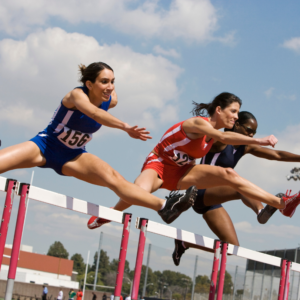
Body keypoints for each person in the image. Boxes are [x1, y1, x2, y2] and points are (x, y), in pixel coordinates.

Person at [0, 62, 197, 224]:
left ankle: (165, 207)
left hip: (74, 155)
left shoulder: (111, 99)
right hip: (45, 146)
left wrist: (108, 84)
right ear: (89, 84)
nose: (110, 87)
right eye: (104, 82)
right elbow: (94, 113)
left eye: (112, 82)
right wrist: (125, 127)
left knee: (116, 180)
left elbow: (106, 102)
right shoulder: (76, 95)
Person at [88, 92, 299, 229]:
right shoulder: (198, 123)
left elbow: (229, 138)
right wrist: (261, 141)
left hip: (184, 171)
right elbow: (225, 137)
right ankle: (108, 214)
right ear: (219, 109)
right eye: (233, 111)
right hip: (159, 164)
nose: (236, 117)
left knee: (229, 174)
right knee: (137, 192)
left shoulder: (215, 133)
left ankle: (281, 204)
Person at [172, 111, 300, 265]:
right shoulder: (220, 141)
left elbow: (277, 155)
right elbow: (211, 136)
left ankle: (184, 243)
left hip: (211, 201)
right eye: (248, 130)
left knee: (231, 247)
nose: (251, 135)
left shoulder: (245, 147)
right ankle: (262, 211)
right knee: (238, 184)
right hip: (199, 191)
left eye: (254, 133)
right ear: (236, 125)